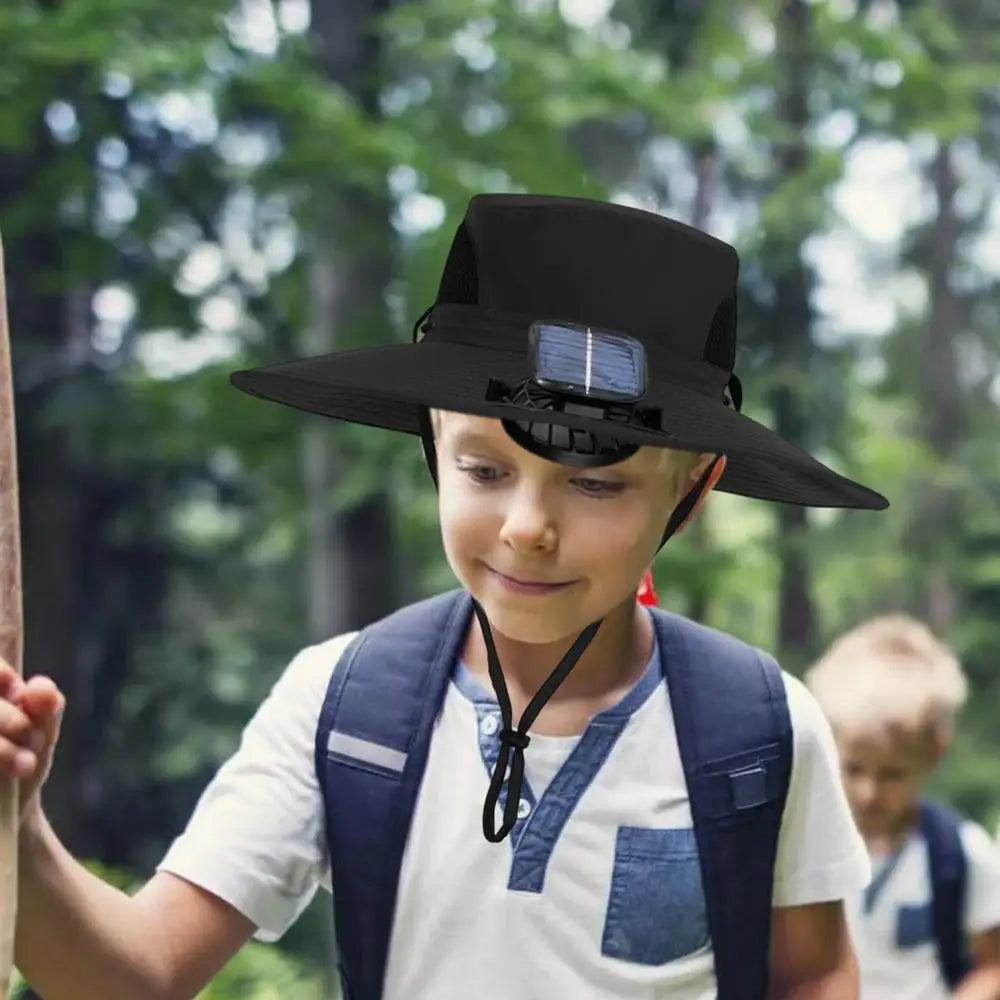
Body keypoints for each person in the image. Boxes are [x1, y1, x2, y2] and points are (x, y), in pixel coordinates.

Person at [4, 194, 889, 999]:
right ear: (431, 445)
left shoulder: (757, 727)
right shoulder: (343, 707)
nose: (525, 527)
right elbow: (135, 979)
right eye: (483, 469)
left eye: (595, 486)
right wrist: (22, 828)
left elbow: (811, 972)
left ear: (693, 490)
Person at [805, 614, 1000, 1000]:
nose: (869, 792)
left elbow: (993, 965)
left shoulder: (959, 853)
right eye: (854, 768)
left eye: (892, 774)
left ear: (933, 753)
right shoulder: (803, 847)